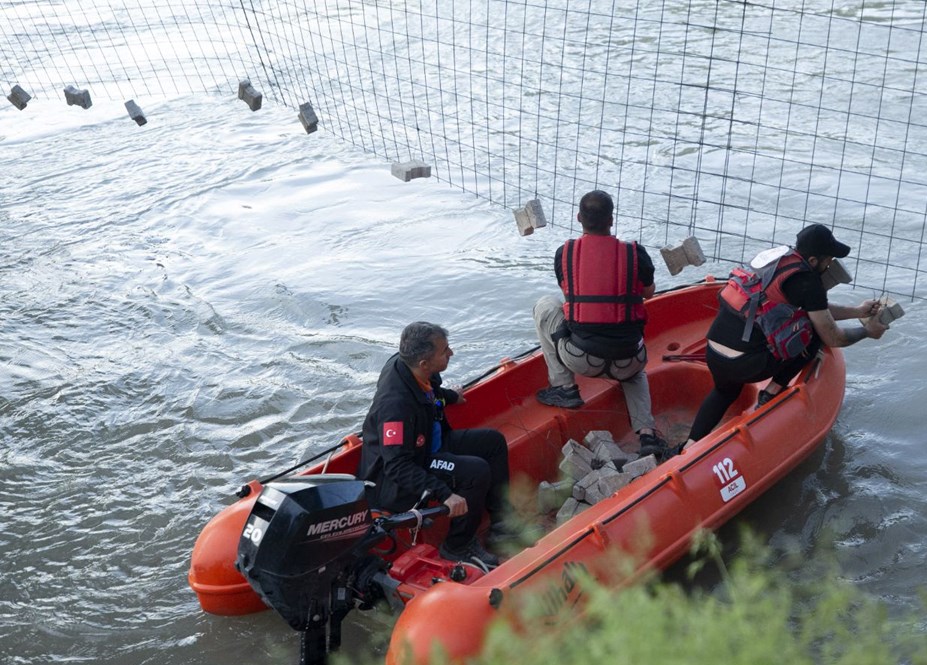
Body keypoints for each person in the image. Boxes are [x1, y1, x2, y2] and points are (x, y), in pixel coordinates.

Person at [673, 223, 889, 453]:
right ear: (814, 261)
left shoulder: (775, 260)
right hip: (746, 364)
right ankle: (772, 392)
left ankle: (688, 447)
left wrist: (857, 311)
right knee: (814, 332)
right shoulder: (809, 282)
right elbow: (833, 336)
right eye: (829, 259)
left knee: (724, 391)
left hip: (714, 350)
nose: (831, 264)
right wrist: (868, 332)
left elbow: (815, 309)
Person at [357, 321, 510, 568]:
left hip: (429, 442)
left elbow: (432, 391)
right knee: (476, 471)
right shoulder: (395, 407)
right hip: (406, 467)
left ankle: (502, 524)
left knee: (493, 442)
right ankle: (457, 546)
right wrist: (445, 494)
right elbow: (396, 465)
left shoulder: (415, 369)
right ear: (424, 363)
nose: (451, 353)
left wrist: (451, 396)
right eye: (445, 351)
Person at [532, 189, 667, 456]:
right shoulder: (635, 253)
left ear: (579, 218)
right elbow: (648, 293)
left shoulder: (565, 254)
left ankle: (564, 388)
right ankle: (647, 433)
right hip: (629, 360)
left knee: (545, 306)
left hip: (581, 359)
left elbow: (570, 294)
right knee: (636, 373)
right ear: (611, 220)